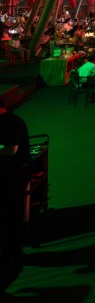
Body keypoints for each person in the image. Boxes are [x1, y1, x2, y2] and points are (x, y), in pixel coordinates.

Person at [0, 101, 30, 271]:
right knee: (10, 213)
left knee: (10, 214)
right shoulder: (14, 120)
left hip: (13, 175)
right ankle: (12, 251)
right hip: (15, 173)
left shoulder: (7, 123)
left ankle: (13, 253)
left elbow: (11, 149)